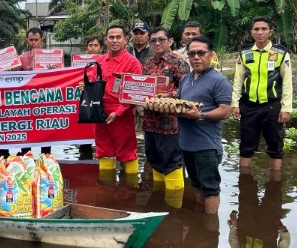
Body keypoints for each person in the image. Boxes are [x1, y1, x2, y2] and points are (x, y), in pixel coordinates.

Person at [176, 36, 232, 214]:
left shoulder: (218, 80)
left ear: (211, 55)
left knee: (210, 188)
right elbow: (178, 102)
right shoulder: (186, 79)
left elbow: (225, 110)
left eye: (201, 53)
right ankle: (200, 224)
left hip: (206, 145)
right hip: (187, 144)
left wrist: (200, 115)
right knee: (195, 184)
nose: (196, 57)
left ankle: (210, 230)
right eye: (192, 53)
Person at [231, 16, 293, 171]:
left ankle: (275, 183)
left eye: (264, 29)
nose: (260, 32)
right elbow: (238, 80)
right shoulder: (245, 54)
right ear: (251, 33)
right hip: (248, 106)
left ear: (270, 32)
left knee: (275, 147)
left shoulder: (280, 53)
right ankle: (244, 183)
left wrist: (286, 108)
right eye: (256, 29)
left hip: (272, 106)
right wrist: (235, 104)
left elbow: (287, 82)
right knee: (246, 146)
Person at [142, 26, 190, 200]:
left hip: (170, 123)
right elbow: (141, 89)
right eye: (153, 40)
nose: (156, 43)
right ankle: (159, 201)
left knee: (172, 161)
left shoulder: (179, 63)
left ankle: (174, 206)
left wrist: (168, 95)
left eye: (161, 39)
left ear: (170, 41)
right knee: (153, 158)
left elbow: (187, 90)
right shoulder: (147, 64)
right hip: (150, 122)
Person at [87, 25, 143, 174]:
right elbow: (92, 82)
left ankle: (130, 191)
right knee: (103, 149)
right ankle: (106, 192)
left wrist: (118, 112)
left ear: (125, 40)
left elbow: (135, 94)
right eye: (111, 37)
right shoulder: (99, 61)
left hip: (122, 113)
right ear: (106, 40)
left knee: (127, 151)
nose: (115, 40)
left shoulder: (133, 63)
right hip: (100, 112)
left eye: (118, 37)